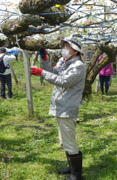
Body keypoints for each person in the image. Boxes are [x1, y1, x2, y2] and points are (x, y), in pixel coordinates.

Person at [31, 37, 85, 180]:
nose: (64, 49)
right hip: (62, 106)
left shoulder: (78, 66)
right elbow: (53, 72)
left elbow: (63, 81)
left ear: (75, 51)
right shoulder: (65, 62)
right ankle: (71, 168)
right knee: (64, 140)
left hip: (67, 108)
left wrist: (41, 73)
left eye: (67, 47)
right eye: (64, 46)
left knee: (69, 141)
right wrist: (44, 60)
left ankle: (76, 175)